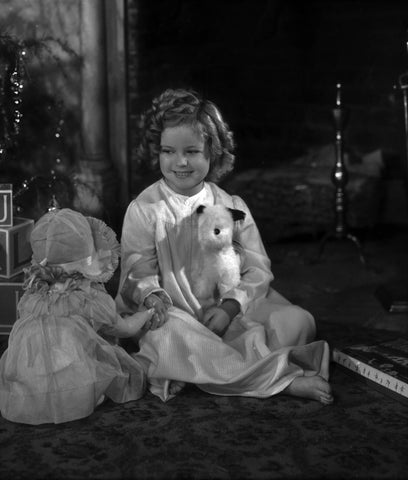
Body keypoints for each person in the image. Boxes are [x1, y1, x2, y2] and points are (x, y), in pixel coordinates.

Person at [116, 88, 333, 405]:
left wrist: (230, 307)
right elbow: (137, 270)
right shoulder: (146, 209)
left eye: (191, 151)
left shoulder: (229, 205)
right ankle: (282, 380)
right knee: (168, 337)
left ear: (213, 151)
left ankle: (204, 367)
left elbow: (257, 269)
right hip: (173, 315)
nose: (180, 162)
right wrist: (154, 295)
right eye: (168, 151)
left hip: (229, 312)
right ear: (156, 151)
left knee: (296, 322)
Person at [0, 208, 154, 425]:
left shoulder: (35, 295)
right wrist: (146, 313)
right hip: (74, 388)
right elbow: (125, 329)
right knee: (114, 363)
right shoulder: (88, 298)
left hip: (28, 388)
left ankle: (40, 393)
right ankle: (80, 393)